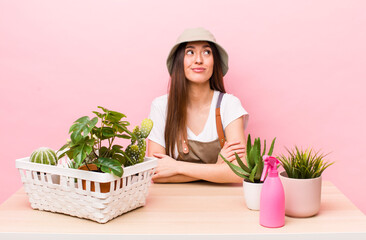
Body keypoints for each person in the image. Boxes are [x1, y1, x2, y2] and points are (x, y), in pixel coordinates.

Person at [148, 27, 249, 183]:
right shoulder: (161, 106)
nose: (199, 60)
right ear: (178, 61)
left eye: (207, 52)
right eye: (190, 52)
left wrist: (176, 167)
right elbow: (154, 172)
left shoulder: (229, 104)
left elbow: (240, 170)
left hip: (222, 202)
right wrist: (217, 168)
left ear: (215, 61)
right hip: (171, 202)